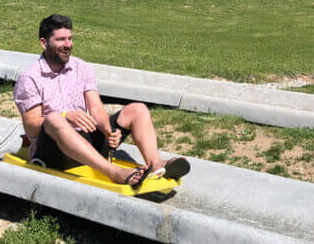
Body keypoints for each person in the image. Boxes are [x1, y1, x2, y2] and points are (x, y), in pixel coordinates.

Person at [14, 14, 189, 188]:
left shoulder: (82, 68)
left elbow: (96, 108)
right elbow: (31, 126)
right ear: (44, 43)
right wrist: (65, 116)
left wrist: (108, 131)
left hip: (86, 140)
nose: (68, 45)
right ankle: (113, 172)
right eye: (61, 40)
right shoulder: (30, 77)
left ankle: (156, 163)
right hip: (54, 150)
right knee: (54, 118)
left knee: (138, 109)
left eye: (70, 38)